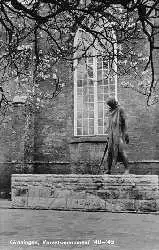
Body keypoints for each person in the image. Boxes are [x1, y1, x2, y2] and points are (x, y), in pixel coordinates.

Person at [105, 97, 130, 174]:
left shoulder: (120, 109)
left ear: (114, 103)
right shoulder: (110, 111)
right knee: (109, 152)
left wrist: (126, 133)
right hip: (111, 134)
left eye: (111, 104)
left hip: (119, 134)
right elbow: (109, 125)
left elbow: (125, 121)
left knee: (121, 151)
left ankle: (127, 169)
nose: (110, 106)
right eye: (109, 105)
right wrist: (108, 135)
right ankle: (108, 170)